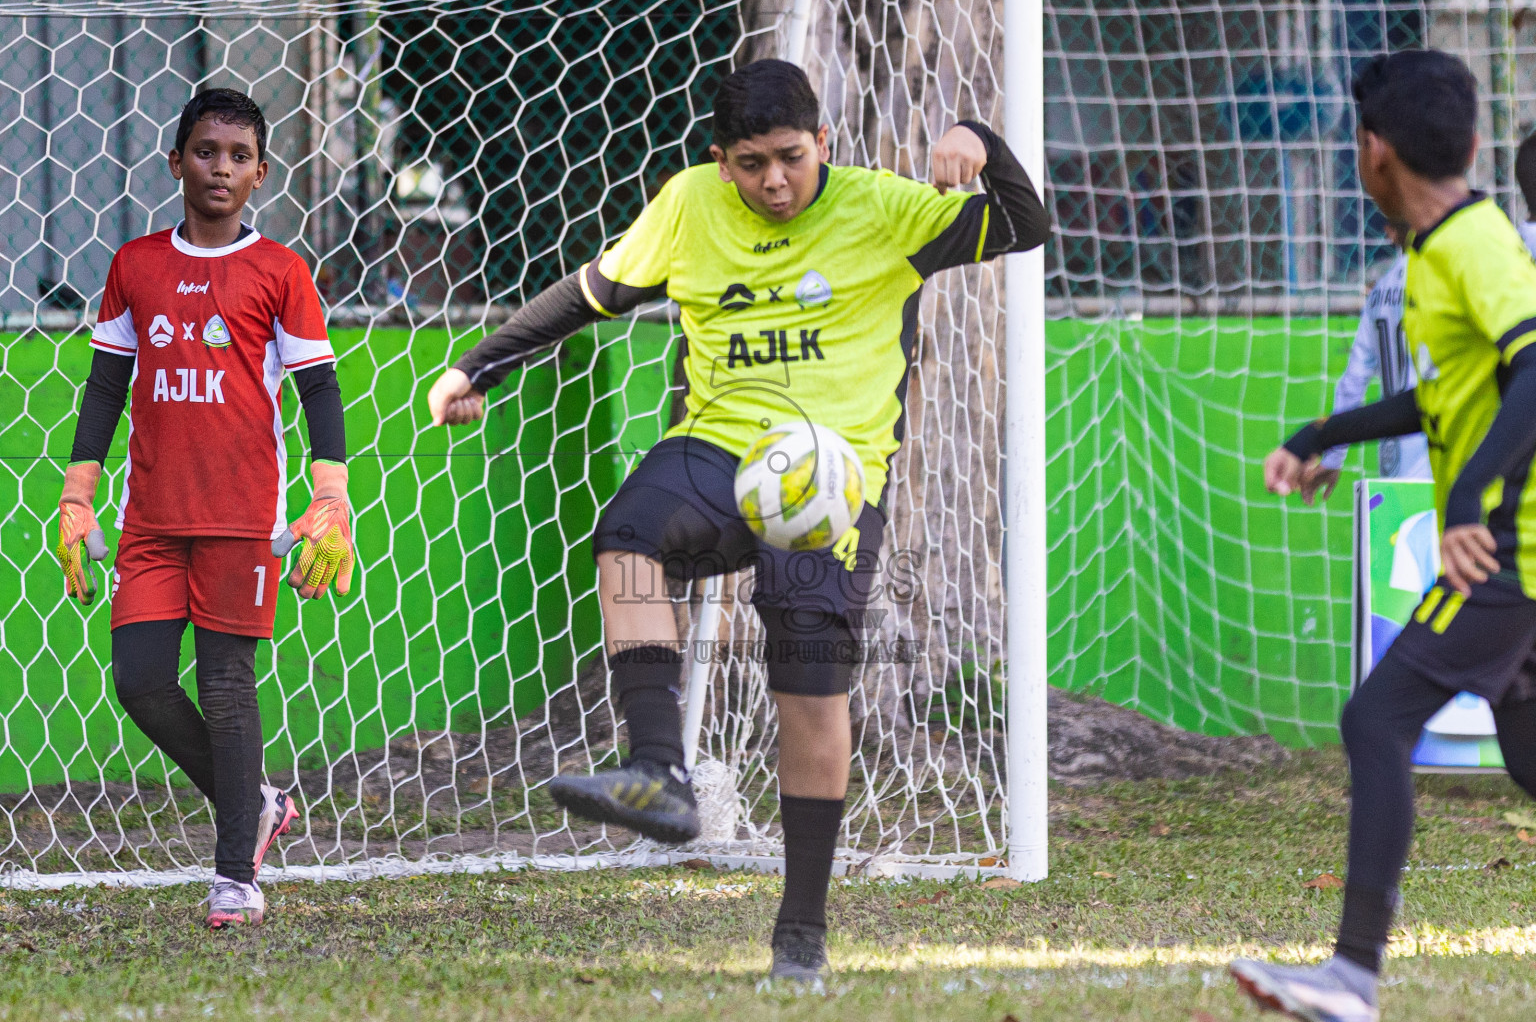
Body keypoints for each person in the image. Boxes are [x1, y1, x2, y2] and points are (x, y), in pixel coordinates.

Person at [425, 58, 1048, 983]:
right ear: (722, 162)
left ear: (823, 145)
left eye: (791, 158)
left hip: (832, 476)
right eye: (751, 163)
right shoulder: (688, 205)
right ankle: (659, 775)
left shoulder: (888, 209)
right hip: (718, 449)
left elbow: (1027, 226)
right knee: (627, 534)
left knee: (809, 685)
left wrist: (981, 141)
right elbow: (593, 292)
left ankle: (800, 932)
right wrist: (480, 365)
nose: (774, 181)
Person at [1233, 51, 1536, 1022]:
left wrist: (1464, 508)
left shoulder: (1473, 248)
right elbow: (1447, 396)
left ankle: (1353, 977)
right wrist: (1323, 434)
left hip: (1510, 548)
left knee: (1376, 721)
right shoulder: (1439, 245)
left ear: (1373, 153)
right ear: (1473, 144)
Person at [57, 89, 355, 930]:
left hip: (241, 517)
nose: (219, 166)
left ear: (260, 173)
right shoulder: (136, 264)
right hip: (151, 518)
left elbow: (319, 388)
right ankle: (255, 801)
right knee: (142, 683)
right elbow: (106, 385)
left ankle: (236, 877)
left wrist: (329, 493)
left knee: (227, 688)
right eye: (204, 151)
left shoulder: (281, 272)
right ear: (176, 161)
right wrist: (79, 492)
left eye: (236, 155)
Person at [1302, 222, 1428, 503]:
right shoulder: (1440, 279)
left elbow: (1353, 382)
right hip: (1440, 466)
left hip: (1393, 466)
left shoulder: (1381, 291)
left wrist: (1334, 457)